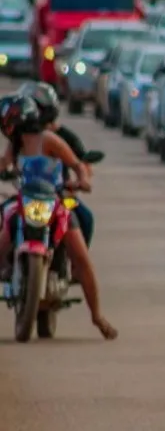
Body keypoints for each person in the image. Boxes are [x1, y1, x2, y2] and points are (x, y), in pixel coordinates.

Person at [0, 95, 117, 340]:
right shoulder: (16, 144)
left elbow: (76, 164)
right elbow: (4, 163)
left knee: (81, 257)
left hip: (54, 201)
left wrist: (82, 180)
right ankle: (7, 268)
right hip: (24, 200)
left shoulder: (49, 140)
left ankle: (97, 316)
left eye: (9, 120)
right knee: (3, 235)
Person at [19, 81, 95, 245]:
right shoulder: (19, 138)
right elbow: (5, 162)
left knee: (85, 218)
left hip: (59, 195)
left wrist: (80, 182)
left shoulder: (64, 137)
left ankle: (76, 267)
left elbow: (81, 163)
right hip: (25, 195)